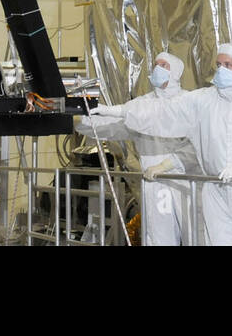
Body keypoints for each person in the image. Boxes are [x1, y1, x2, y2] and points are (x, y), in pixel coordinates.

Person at [87, 42, 232, 245]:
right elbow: (164, 113)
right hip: (215, 189)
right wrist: (119, 111)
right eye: (218, 64)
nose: (221, 70)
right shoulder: (203, 101)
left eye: (228, 65)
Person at [75, 51, 200, 246]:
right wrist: (79, 120)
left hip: (188, 180)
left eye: (164, 65)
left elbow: (198, 144)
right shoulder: (142, 104)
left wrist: (171, 164)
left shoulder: (191, 101)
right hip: (154, 181)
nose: (157, 69)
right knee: (159, 238)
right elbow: (113, 125)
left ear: (175, 71)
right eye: (156, 64)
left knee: (196, 235)